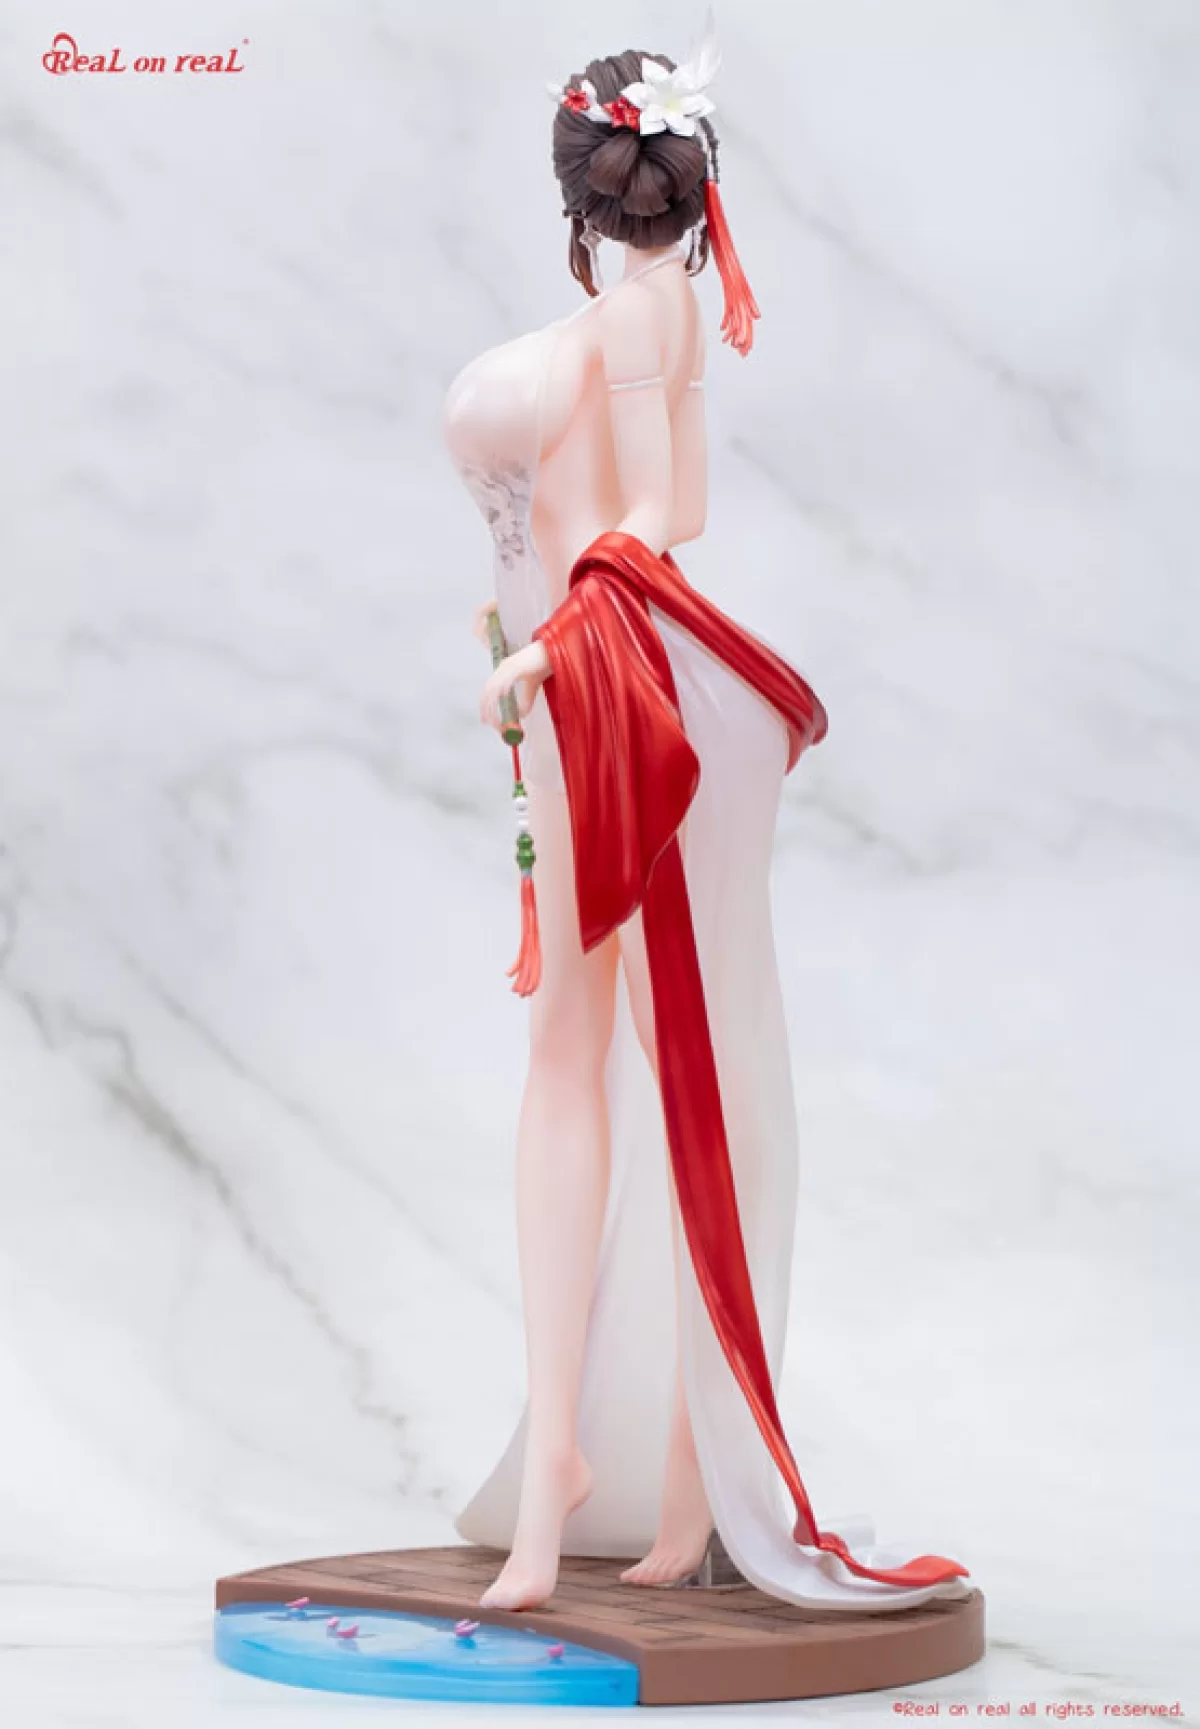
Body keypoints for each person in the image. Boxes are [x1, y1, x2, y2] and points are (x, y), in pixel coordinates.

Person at [442, 35, 971, 1616]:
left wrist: (551, 640)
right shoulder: (652, 310)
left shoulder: (633, 315)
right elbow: (663, 506)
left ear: (583, 187)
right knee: (628, 1051)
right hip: (594, 676)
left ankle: (616, 1463)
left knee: (617, 1052)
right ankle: (632, 1459)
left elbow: (656, 515)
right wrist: (534, 635)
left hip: (615, 685)